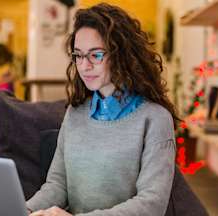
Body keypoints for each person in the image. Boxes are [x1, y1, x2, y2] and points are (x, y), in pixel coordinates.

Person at [27, 3, 179, 216]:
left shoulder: (155, 119)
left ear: (121, 55)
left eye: (95, 55)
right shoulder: (75, 113)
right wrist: (23, 209)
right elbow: (57, 186)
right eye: (78, 55)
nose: (84, 66)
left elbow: (151, 205)